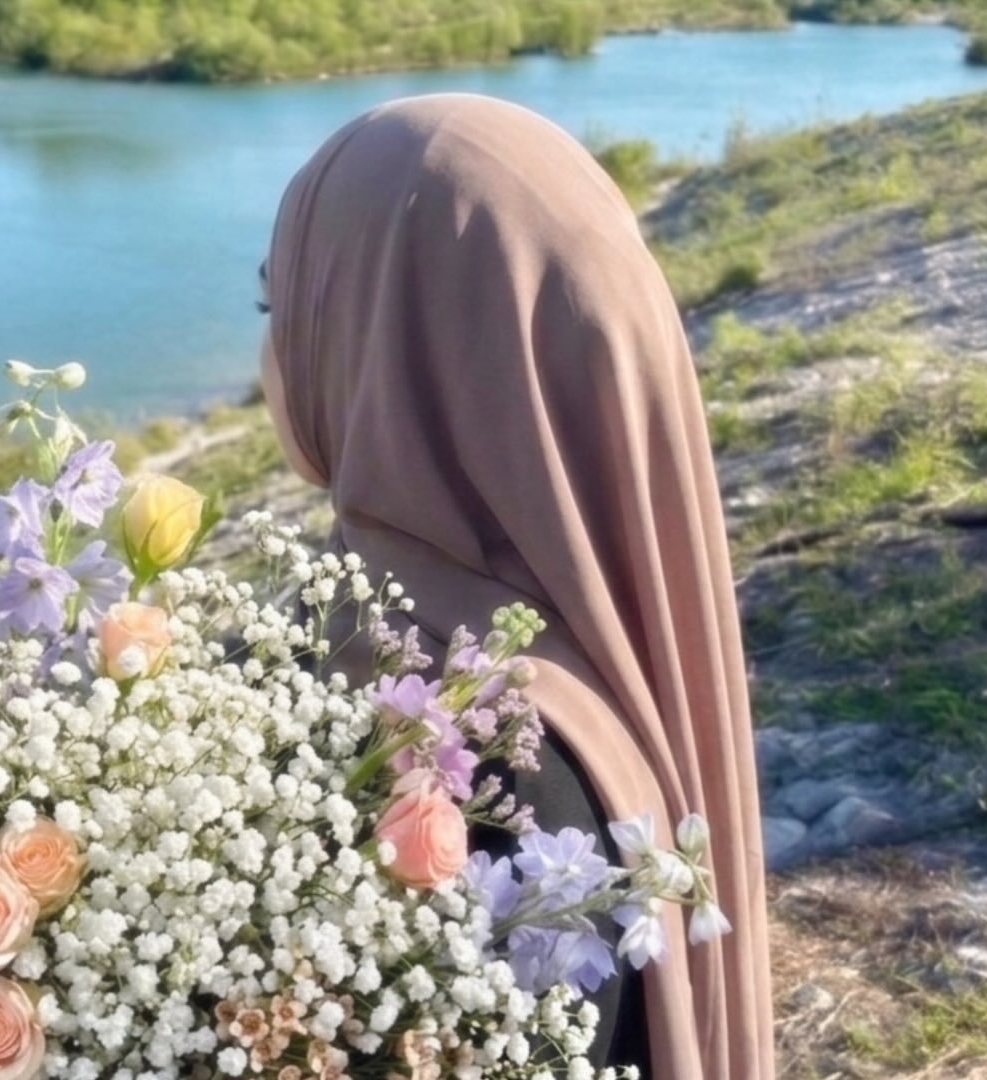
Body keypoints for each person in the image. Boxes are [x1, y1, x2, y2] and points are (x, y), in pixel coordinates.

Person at [258, 93, 774, 1080]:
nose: (270, 356)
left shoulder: (462, 759)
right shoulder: (603, 669)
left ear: (377, 343)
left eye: (280, 309)